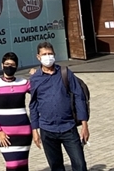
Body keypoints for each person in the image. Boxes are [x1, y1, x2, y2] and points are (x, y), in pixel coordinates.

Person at [28, 41, 89, 171]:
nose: (47, 56)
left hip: (68, 127)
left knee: (80, 164)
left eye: (50, 53)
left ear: (54, 54)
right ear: (38, 57)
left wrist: (84, 125)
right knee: (56, 166)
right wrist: (34, 130)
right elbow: (33, 105)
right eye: (44, 54)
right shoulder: (35, 79)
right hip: (47, 130)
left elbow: (79, 97)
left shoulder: (65, 73)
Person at [0, 52, 32, 171]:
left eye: (12, 65)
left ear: (16, 66)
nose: (9, 67)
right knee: (12, 166)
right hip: (5, 134)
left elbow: (40, 91)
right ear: (2, 65)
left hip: (24, 133)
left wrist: (36, 75)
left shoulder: (24, 83)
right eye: (7, 64)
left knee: (23, 166)